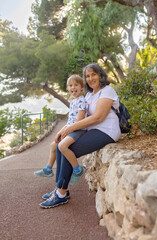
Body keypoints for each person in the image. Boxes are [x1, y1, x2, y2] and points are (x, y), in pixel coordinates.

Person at [40, 63, 121, 209]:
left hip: (106, 131)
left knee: (67, 147)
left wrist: (71, 128)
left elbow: (98, 118)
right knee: (60, 146)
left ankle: (61, 194)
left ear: (100, 75)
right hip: (91, 130)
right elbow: (79, 116)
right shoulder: (89, 95)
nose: (90, 78)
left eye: (93, 74)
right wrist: (64, 130)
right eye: (87, 76)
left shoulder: (107, 91)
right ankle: (61, 187)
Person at [34, 74, 88, 178]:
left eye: (76, 85)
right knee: (53, 145)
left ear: (82, 87)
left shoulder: (81, 100)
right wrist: (61, 131)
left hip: (78, 130)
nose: (73, 87)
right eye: (70, 85)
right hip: (71, 129)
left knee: (62, 146)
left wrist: (67, 131)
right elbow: (69, 121)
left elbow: (79, 121)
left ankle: (78, 170)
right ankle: (48, 169)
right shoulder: (73, 102)